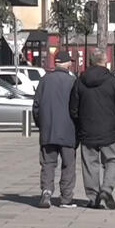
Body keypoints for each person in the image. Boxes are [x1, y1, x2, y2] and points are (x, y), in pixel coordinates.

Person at [69, 50, 115, 210]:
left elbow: (73, 109)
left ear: (90, 62)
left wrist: (81, 123)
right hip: (109, 130)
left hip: (87, 131)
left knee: (90, 163)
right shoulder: (113, 81)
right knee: (113, 160)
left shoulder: (80, 81)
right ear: (105, 61)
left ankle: (93, 197)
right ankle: (106, 189)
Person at [33, 50, 78, 209]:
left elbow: (36, 106)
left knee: (48, 163)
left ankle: (46, 192)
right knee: (68, 165)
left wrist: (42, 125)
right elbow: (78, 107)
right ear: (67, 63)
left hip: (48, 130)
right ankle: (66, 198)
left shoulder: (44, 80)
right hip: (68, 131)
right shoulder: (73, 81)